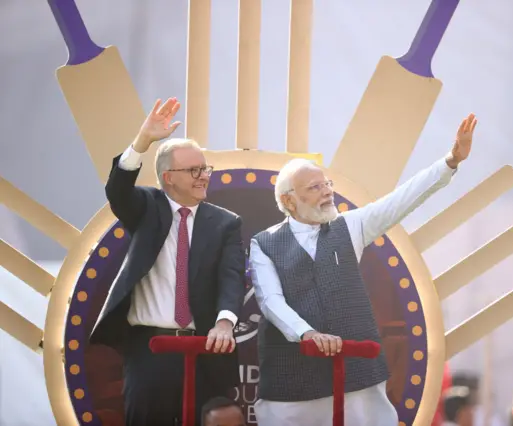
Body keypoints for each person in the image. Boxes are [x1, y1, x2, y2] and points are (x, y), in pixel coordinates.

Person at [248, 113, 478, 425]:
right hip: (292, 382)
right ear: (289, 200)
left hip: (357, 377)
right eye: (315, 187)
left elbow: (401, 200)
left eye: (326, 184)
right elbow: (271, 302)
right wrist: (307, 334)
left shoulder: (350, 225)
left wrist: (451, 161)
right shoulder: (264, 243)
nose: (327, 192)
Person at [90, 97, 246, 426]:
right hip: (150, 351)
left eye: (205, 168)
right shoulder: (147, 207)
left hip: (206, 349)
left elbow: (232, 278)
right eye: (194, 170)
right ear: (169, 177)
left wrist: (225, 322)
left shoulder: (226, 222)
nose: (204, 176)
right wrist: (142, 141)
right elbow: (118, 190)